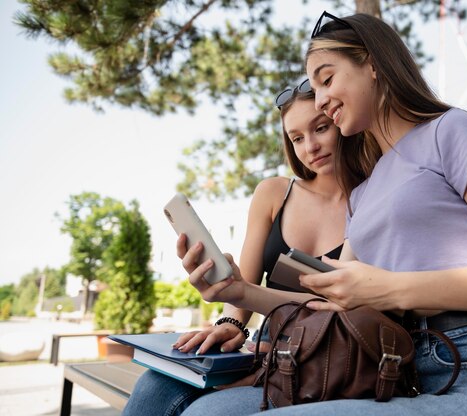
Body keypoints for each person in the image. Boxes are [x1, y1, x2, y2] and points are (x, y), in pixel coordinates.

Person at [131, 12, 467, 416]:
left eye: (326, 79)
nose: (321, 100)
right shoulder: (368, 190)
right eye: (314, 88)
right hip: (401, 372)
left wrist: (392, 289)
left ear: (373, 63)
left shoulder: (450, 130)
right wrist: (238, 292)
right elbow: (330, 302)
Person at [123, 80, 380, 415]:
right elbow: (242, 286)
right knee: (153, 386)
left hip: (322, 359)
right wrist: (230, 326)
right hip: (261, 346)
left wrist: (241, 299)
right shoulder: (274, 193)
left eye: (321, 128)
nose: (310, 147)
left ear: (341, 122)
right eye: (297, 138)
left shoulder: (372, 199)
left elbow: (340, 304)